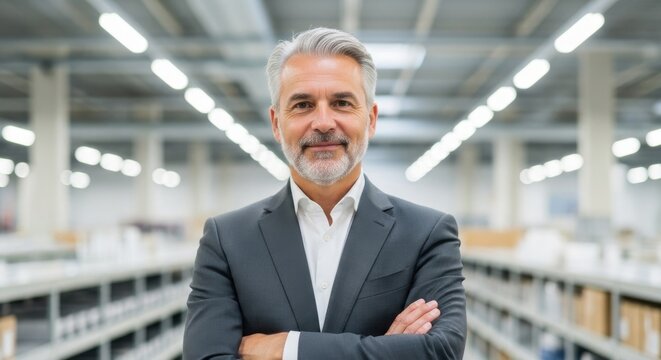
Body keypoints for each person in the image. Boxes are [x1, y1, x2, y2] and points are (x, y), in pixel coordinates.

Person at [183, 27, 466, 360]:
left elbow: (441, 352)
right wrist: (387, 349)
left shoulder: (427, 234)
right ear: (276, 124)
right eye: (302, 105)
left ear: (371, 120)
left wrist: (287, 348)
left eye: (342, 103)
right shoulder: (227, 240)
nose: (323, 122)